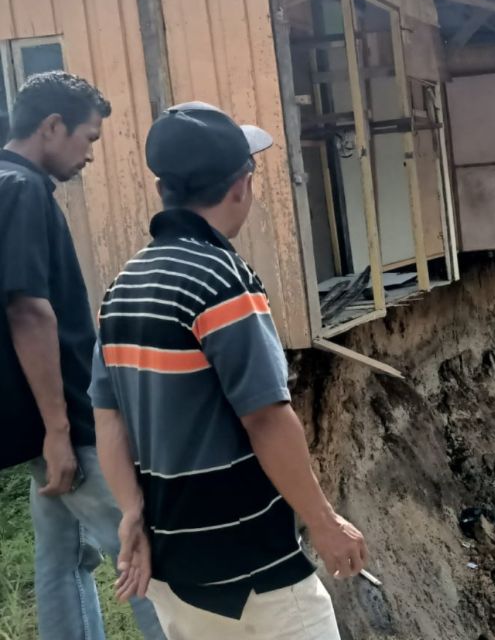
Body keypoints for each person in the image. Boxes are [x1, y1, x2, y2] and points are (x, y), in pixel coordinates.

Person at [90, 102, 367, 639]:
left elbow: (108, 418)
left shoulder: (122, 287)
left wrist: (131, 511)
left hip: (171, 564)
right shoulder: (223, 282)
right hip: (252, 573)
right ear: (241, 186)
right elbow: (266, 417)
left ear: (162, 191)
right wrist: (324, 522)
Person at [0, 72, 165, 639]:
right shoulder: (20, 190)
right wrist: (58, 429)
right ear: (51, 127)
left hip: (37, 417)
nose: (91, 154)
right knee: (138, 547)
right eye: (88, 139)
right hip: (66, 414)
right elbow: (29, 311)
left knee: (61, 558)